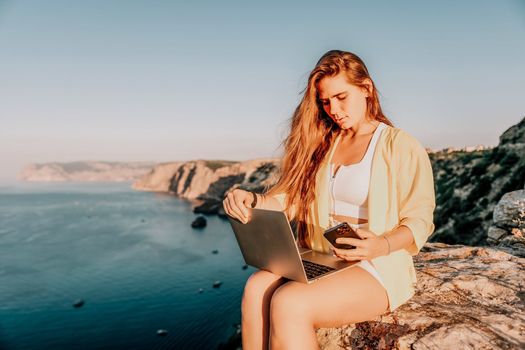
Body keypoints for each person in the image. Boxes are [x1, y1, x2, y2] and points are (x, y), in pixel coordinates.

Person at [222, 49, 436, 350]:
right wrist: (252, 201)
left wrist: (381, 244)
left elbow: (420, 220)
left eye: (341, 97)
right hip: (325, 257)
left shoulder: (399, 145)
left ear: (366, 89)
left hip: (377, 264)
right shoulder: (325, 144)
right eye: (325, 101)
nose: (334, 109)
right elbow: (292, 199)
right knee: (256, 287)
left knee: (289, 303)